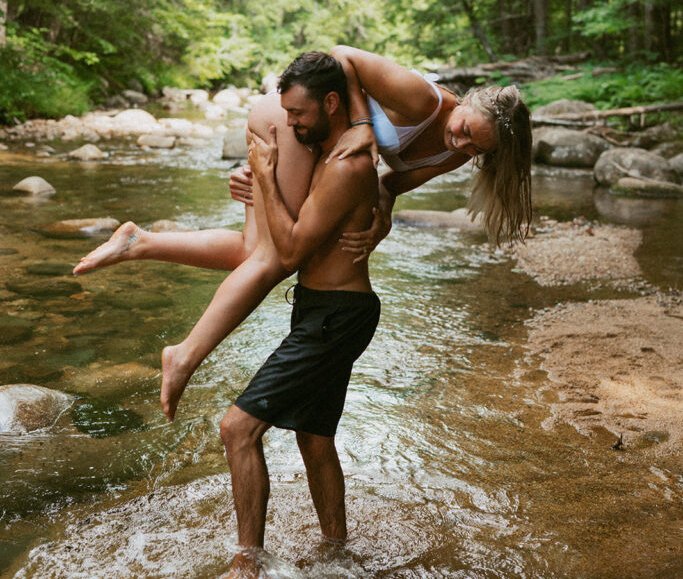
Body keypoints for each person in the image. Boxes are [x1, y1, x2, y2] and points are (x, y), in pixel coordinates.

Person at [74, 46, 532, 420]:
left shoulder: (456, 152)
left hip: (307, 138)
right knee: (276, 259)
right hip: (294, 118)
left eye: (478, 149)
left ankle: (140, 242)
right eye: (467, 130)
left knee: (252, 251)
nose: (463, 144)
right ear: (467, 104)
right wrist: (360, 124)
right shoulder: (423, 101)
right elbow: (340, 55)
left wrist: (384, 214)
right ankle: (185, 356)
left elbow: (389, 184)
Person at [183, 53, 380, 579]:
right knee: (314, 438)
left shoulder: (345, 166)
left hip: (336, 316)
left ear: (332, 104)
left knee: (237, 429)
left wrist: (266, 175)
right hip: (324, 309)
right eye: (286, 113)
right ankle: (337, 553)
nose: (291, 124)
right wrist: (252, 182)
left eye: (299, 113)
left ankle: (247, 570)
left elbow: (290, 250)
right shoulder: (333, 149)